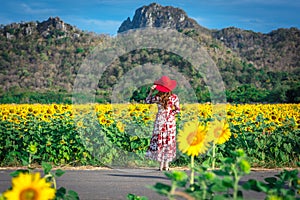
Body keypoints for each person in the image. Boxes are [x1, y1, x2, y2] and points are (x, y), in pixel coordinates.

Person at [145, 75, 180, 171]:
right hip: (170, 122)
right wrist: (170, 115)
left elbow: (147, 101)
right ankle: (166, 165)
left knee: (160, 140)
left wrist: (151, 91)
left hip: (160, 121)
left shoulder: (157, 97)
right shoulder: (174, 97)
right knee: (168, 141)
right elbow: (177, 110)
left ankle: (160, 166)